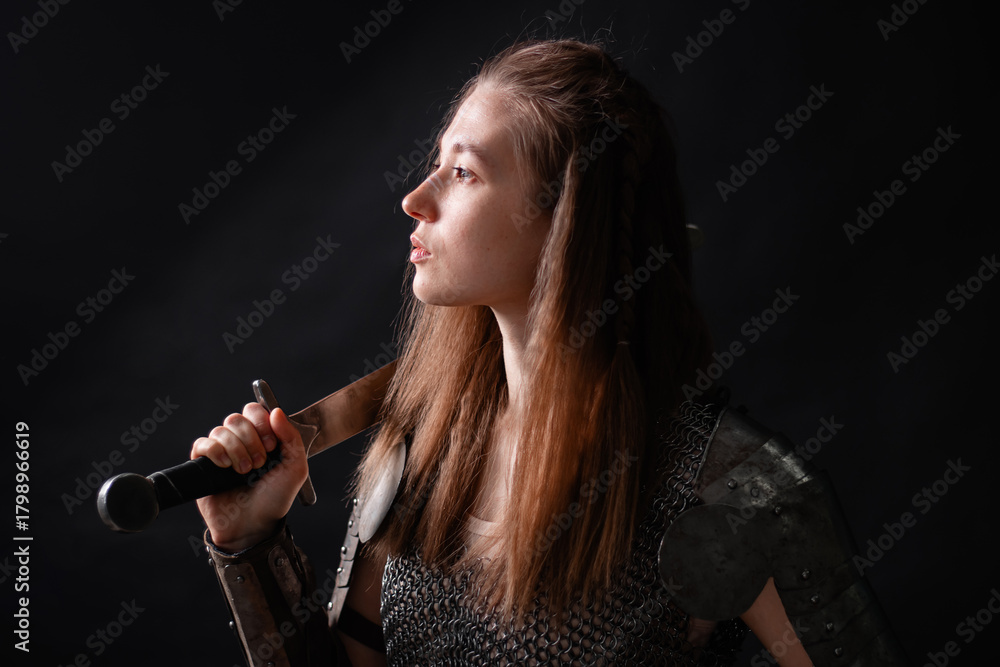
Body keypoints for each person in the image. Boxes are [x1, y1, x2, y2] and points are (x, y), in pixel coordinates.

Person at [191, 39, 902, 666]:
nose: (415, 198)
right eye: (434, 165)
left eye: (463, 172)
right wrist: (249, 543)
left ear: (563, 219)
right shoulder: (418, 458)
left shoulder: (723, 489)